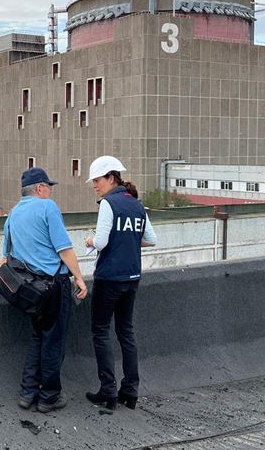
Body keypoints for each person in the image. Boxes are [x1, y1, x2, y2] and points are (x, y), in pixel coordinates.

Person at [0, 167, 88, 413]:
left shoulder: (13, 213)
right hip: (54, 286)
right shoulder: (48, 207)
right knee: (53, 342)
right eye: (48, 187)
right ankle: (49, 396)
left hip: (29, 289)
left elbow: (6, 257)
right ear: (40, 188)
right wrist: (79, 279)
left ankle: (28, 393)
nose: (49, 191)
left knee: (38, 337)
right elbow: (64, 249)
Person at [83, 156, 157, 411]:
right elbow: (151, 239)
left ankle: (108, 391)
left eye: (97, 180)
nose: (94, 185)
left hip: (109, 278)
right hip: (132, 277)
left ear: (111, 178)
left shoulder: (108, 204)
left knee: (101, 331)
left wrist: (90, 241)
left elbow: (101, 242)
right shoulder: (136, 204)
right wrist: (127, 240)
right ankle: (130, 391)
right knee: (126, 332)